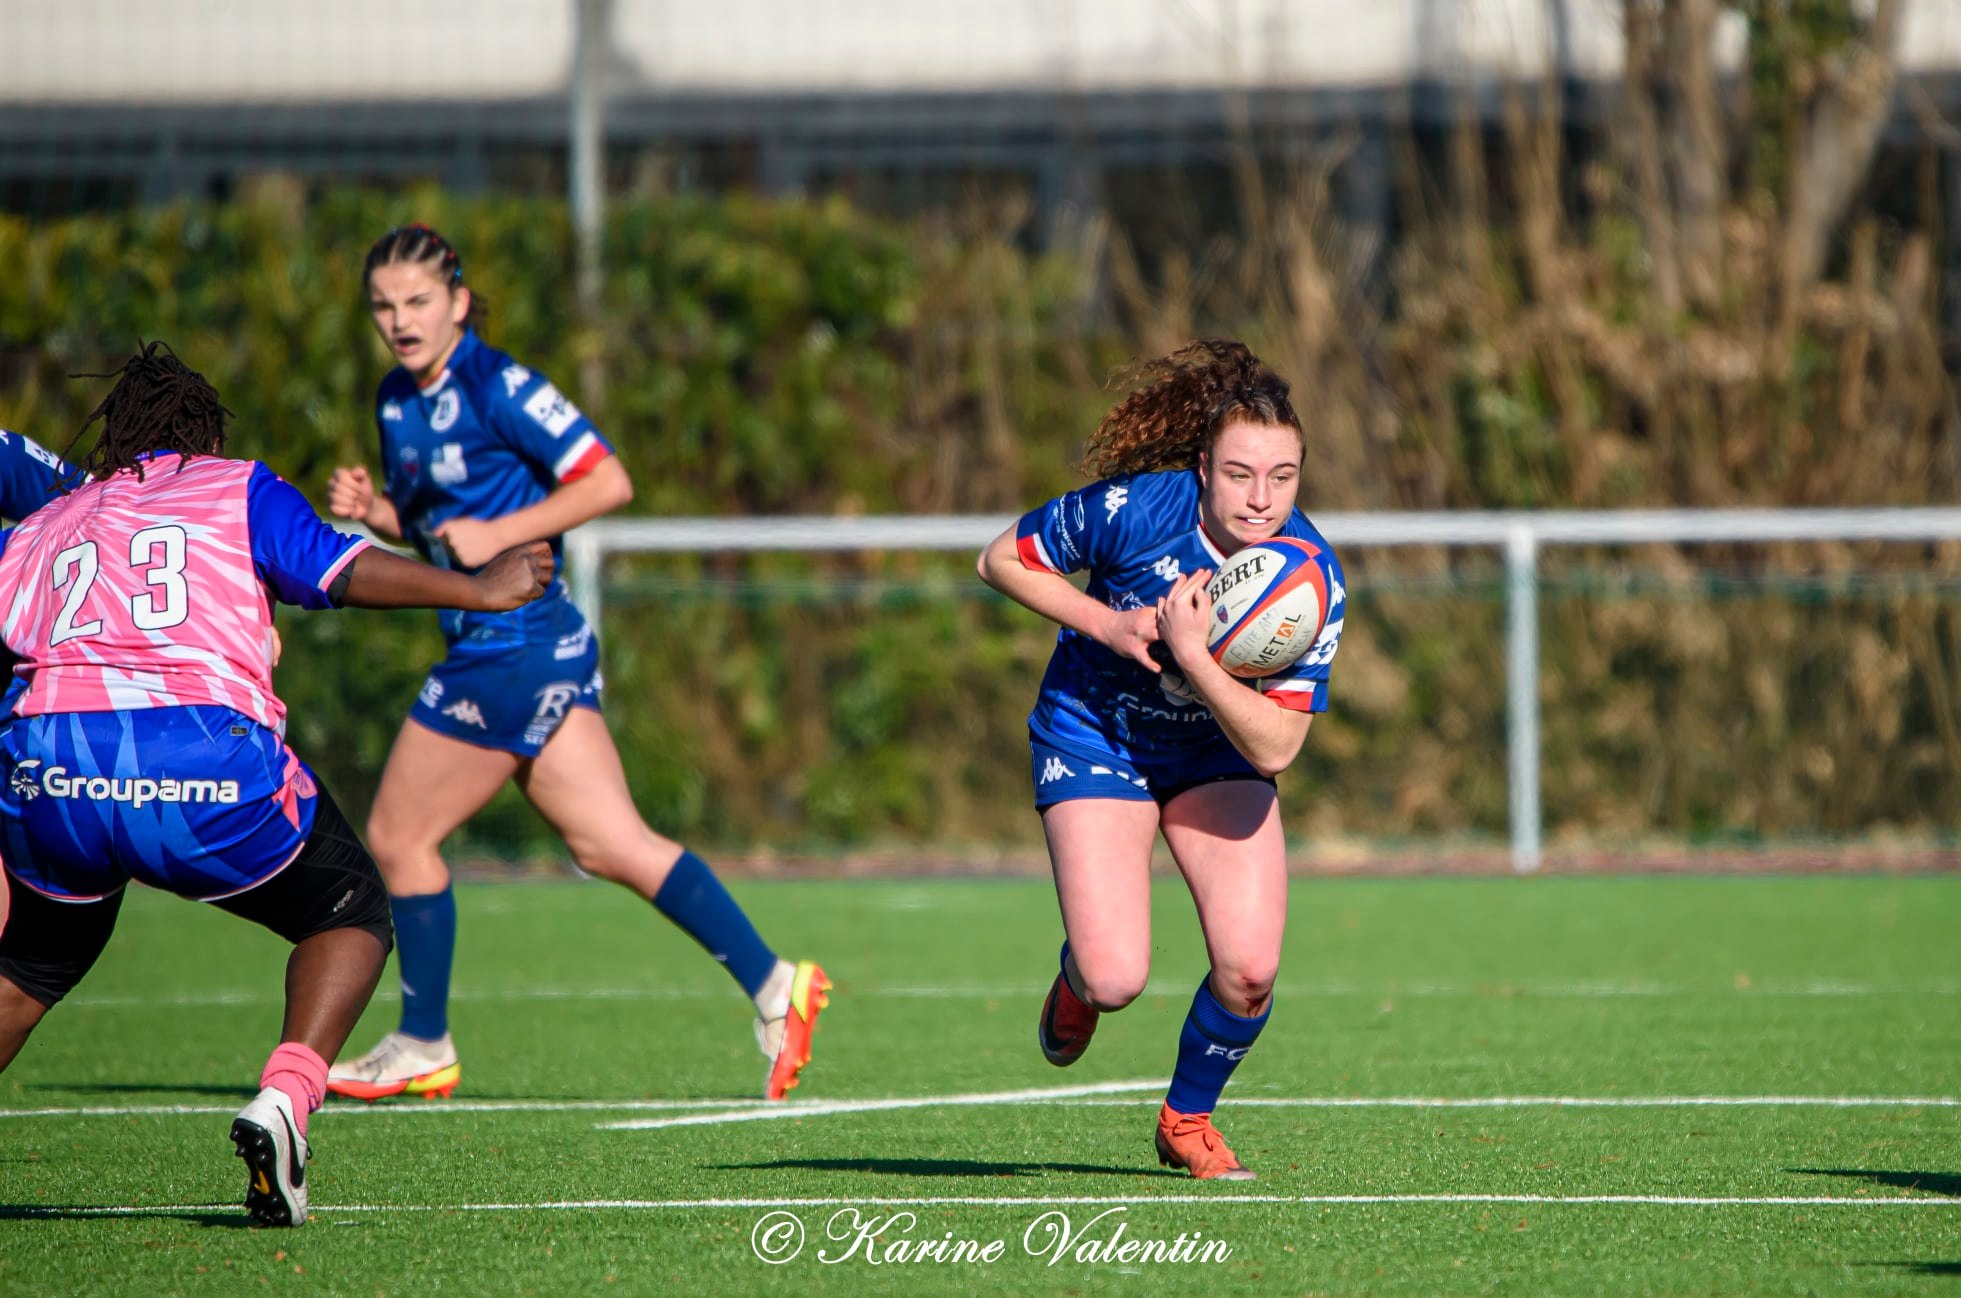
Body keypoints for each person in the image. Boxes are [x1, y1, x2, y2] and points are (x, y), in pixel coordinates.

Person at [0, 341, 555, 1226]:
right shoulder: (234, 486)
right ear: (204, 434)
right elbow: (342, 570)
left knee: (28, 968)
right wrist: (477, 589)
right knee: (351, 914)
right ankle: (287, 1099)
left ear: (114, 439)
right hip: (202, 761)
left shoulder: (44, 524)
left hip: (48, 767)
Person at [323, 224, 828, 1104]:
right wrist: (383, 516)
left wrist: (503, 534)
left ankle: (421, 1040)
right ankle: (776, 985)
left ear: (459, 303)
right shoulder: (397, 400)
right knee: (611, 843)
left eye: (417, 302)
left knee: (401, 839)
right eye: (383, 306)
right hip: (518, 643)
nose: (400, 321)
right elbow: (447, 527)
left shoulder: (500, 384)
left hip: (511, 647)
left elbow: (607, 480)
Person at [977, 339, 1347, 1180]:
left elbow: (1279, 742)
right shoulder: (1135, 511)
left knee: (1249, 969)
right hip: (1095, 736)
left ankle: (1186, 1119)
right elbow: (999, 559)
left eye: (1282, 477)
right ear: (1202, 467)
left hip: (1215, 756)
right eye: (1239, 473)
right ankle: (1076, 979)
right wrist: (1107, 625)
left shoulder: (1311, 581)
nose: (1261, 500)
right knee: (1115, 978)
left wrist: (1197, 655)